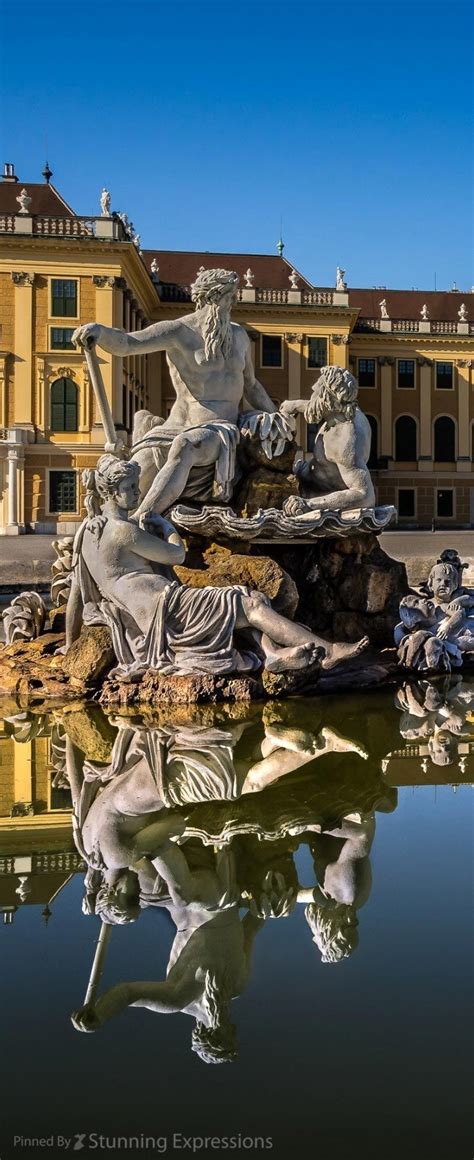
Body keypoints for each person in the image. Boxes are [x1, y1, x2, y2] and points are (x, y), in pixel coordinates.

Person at [65, 454, 369, 676]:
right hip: (169, 609)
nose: (137, 493)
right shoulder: (124, 531)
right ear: (113, 492)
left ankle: (273, 653)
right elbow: (177, 556)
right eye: (131, 488)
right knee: (250, 606)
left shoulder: (87, 534)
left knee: (250, 601)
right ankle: (328, 652)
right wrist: (165, 525)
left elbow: (75, 600)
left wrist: (69, 646)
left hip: (159, 610)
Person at [72, 267, 294, 516]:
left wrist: (276, 418)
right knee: (136, 471)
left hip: (217, 429)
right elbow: (128, 344)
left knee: (185, 445)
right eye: (229, 296)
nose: (234, 302)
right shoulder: (178, 331)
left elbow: (251, 385)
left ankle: (142, 519)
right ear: (212, 297)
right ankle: (108, 527)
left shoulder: (239, 336)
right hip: (174, 427)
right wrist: (100, 332)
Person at [280, 365, 375, 516]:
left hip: (315, 491)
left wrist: (309, 505)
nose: (312, 388)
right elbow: (319, 406)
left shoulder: (345, 440)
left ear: (327, 396)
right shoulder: (344, 411)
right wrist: (296, 405)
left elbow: (364, 495)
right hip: (306, 474)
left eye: (316, 390)